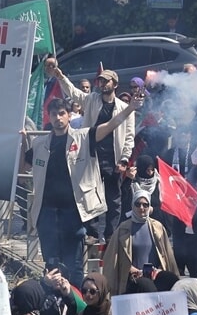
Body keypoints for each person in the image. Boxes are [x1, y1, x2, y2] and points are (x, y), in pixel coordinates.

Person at [25, 94, 142, 286]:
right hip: (46, 212)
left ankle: (76, 306)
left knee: (75, 265)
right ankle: (54, 304)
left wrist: (130, 108)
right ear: (49, 117)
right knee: (51, 265)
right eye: (53, 114)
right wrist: (22, 140)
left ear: (69, 115)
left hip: (74, 212)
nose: (58, 118)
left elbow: (110, 126)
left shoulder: (84, 137)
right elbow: (23, 167)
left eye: (62, 113)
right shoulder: (39, 143)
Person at [50, 61, 137, 237]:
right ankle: (92, 234)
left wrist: (124, 159)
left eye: (106, 81)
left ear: (115, 84)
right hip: (92, 156)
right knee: (90, 195)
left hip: (113, 158)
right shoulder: (92, 100)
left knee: (114, 200)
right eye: (101, 81)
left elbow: (129, 136)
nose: (102, 84)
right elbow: (73, 93)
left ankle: (111, 236)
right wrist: (60, 76)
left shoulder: (125, 108)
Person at [102, 190, 178, 295]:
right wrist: (131, 269)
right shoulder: (123, 228)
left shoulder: (158, 227)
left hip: (156, 282)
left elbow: (166, 256)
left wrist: (159, 270)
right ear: (133, 205)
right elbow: (113, 258)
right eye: (138, 204)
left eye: (145, 205)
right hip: (132, 282)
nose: (141, 208)